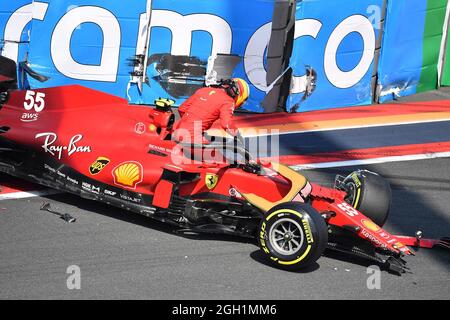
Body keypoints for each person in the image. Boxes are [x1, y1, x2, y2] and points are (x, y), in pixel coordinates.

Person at [173, 78, 250, 145]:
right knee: (219, 156)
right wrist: (238, 136)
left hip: (177, 133)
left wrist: (192, 126)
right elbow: (226, 124)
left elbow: (182, 109)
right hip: (192, 141)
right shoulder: (228, 102)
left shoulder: (203, 90)